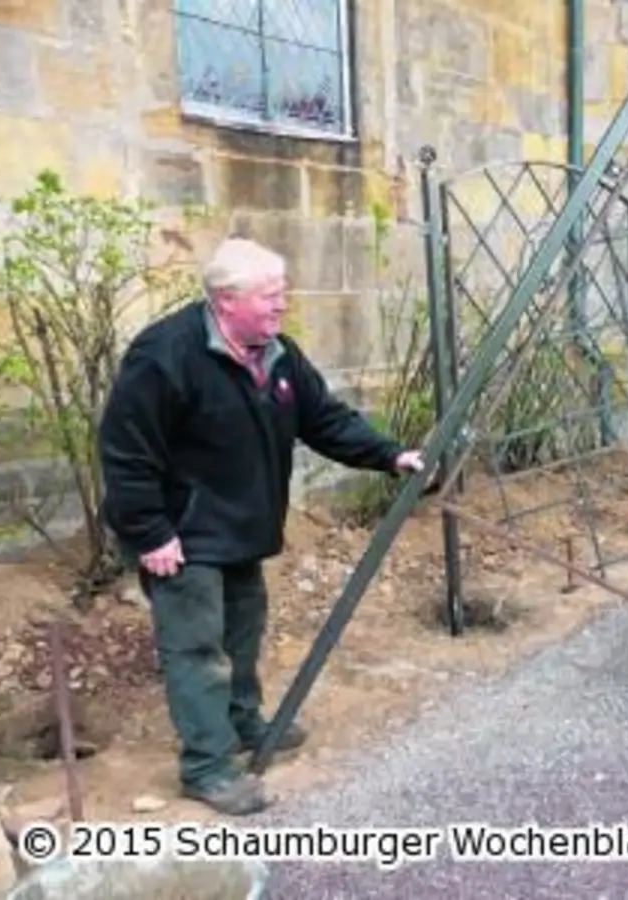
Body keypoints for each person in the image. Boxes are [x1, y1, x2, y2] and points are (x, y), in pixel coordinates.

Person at [97, 238, 425, 814]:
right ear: (226, 300)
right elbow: (126, 451)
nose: (283, 307)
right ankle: (208, 767)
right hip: (182, 534)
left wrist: (391, 456)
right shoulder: (165, 356)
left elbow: (324, 420)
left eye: (283, 295)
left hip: (241, 526)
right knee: (197, 648)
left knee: (242, 634)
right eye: (271, 296)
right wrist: (149, 532)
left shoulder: (277, 354)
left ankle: (242, 724)